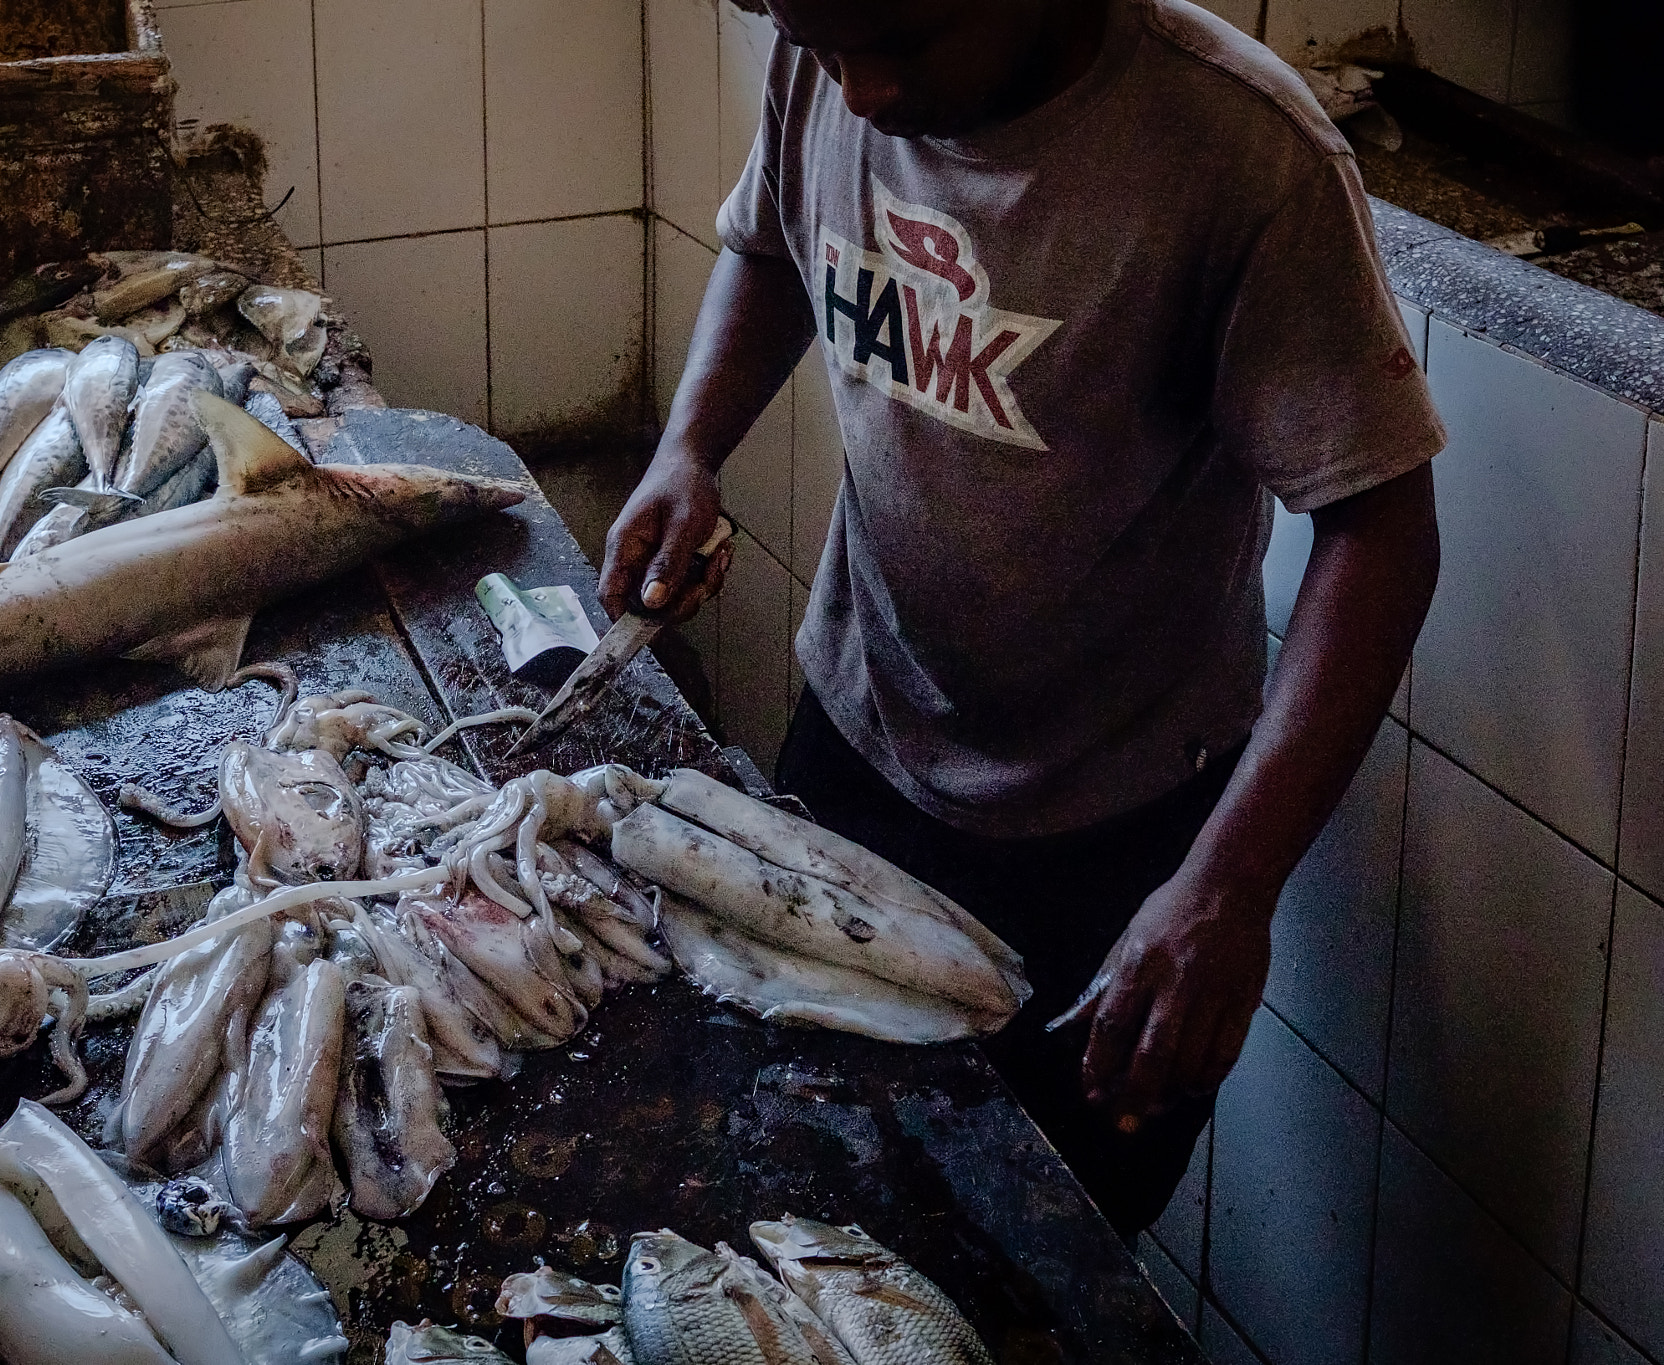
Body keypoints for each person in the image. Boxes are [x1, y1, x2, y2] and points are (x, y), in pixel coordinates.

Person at [599, 0, 1444, 1240]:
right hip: (853, 747)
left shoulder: (1239, 154)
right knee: (788, 1204)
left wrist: (1225, 888)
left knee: (1030, 1262)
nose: (860, 92)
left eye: (906, 41)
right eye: (825, 47)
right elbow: (774, 242)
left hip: (1110, 836)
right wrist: (688, 448)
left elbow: (1379, 534)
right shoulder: (828, 44)